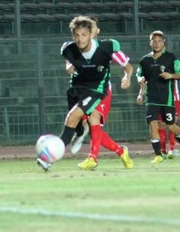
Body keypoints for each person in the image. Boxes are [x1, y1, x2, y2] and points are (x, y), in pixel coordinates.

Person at [39, 15, 133, 171]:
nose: (80, 38)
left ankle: (88, 158)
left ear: (93, 33)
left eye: (84, 34)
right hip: (77, 89)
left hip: (97, 90)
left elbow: (128, 67)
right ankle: (118, 150)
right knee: (82, 123)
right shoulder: (68, 50)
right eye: (76, 35)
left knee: (87, 118)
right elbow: (69, 67)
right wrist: (72, 67)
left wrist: (127, 77)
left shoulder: (107, 48)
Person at [135, 30, 180, 164]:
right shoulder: (145, 60)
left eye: (159, 41)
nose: (156, 44)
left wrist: (171, 75)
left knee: (171, 126)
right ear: (150, 43)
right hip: (151, 99)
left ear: (163, 43)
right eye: (154, 41)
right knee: (153, 124)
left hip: (166, 99)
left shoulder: (170, 58)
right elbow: (139, 75)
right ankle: (158, 155)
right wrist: (140, 85)